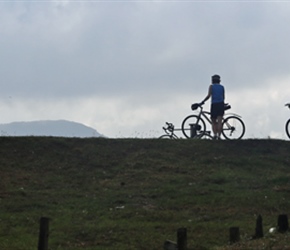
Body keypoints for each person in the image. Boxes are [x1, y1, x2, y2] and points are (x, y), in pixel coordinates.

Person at [201, 74, 225, 140]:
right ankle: (219, 136)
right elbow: (223, 97)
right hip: (221, 104)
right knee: (220, 121)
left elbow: (209, 96)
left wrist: (203, 101)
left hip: (214, 104)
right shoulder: (222, 87)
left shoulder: (211, 86)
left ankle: (215, 135)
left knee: (213, 121)